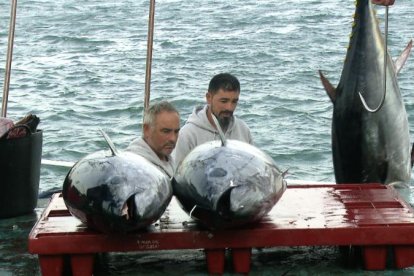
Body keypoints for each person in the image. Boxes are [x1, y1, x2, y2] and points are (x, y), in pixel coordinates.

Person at [172, 73, 253, 166]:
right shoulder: (188, 135)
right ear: (209, 98)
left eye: (234, 101)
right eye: (224, 101)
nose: (229, 108)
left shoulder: (243, 130)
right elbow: (176, 173)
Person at [126, 101, 180, 178]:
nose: (173, 138)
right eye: (166, 131)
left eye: (176, 131)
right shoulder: (135, 167)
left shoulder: (167, 159)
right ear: (147, 130)